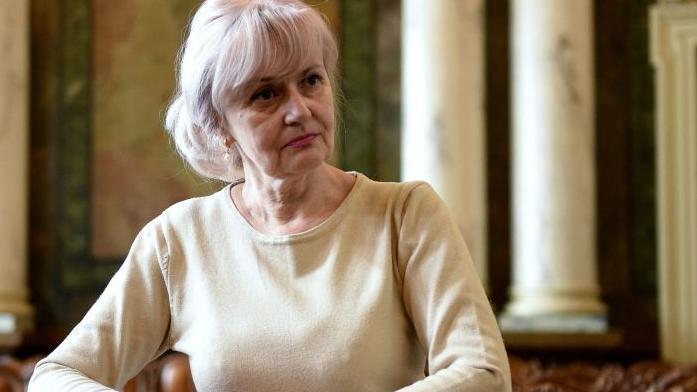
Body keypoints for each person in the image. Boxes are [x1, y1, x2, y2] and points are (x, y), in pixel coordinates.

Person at [28, 0, 511, 390]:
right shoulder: (180, 238)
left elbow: (482, 374)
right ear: (218, 128)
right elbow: (57, 377)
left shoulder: (404, 215)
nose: (300, 110)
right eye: (265, 94)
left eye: (311, 80)